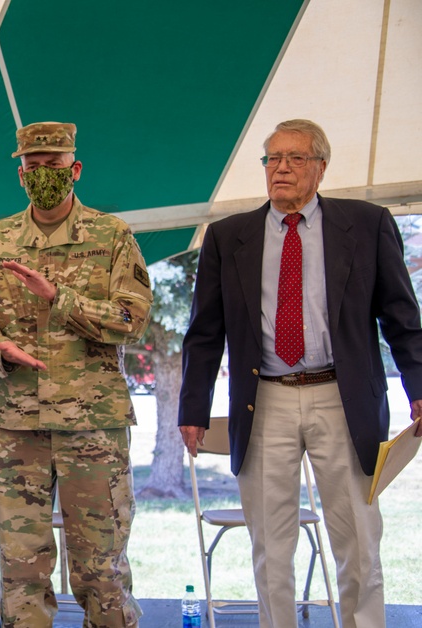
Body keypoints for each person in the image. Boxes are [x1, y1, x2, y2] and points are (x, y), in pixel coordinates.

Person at [178, 119, 422, 628]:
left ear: (321, 168)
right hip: (265, 400)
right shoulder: (228, 236)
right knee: (271, 545)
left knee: (358, 539)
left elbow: (402, 316)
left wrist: (420, 387)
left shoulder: (368, 224)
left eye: (295, 158)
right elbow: (204, 331)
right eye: (272, 159)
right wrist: (193, 409)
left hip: (343, 397)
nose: (281, 169)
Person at [0, 121, 152, 627]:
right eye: (33, 166)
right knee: (21, 568)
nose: (43, 173)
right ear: (20, 174)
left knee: (102, 568)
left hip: (92, 427)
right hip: (15, 426)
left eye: (54, 164)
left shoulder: (112, 236)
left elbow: (131, 319)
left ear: (75, 169)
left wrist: (58, 298)